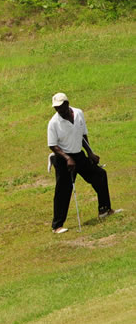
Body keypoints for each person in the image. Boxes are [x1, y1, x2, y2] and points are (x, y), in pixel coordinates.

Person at [47, 93, 119, 234]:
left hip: (78, 155)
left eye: (60, 107)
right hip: (63, 159)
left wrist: (90, 153)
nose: (58, 110)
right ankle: (57, 226)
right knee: (63, 190)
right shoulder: (53, 123)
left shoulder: (79, 113)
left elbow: (83, 135)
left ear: (67, 104)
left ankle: (104, 209)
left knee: (100, 175)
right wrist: (67, 158)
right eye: (56, 108)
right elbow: (53, 145)